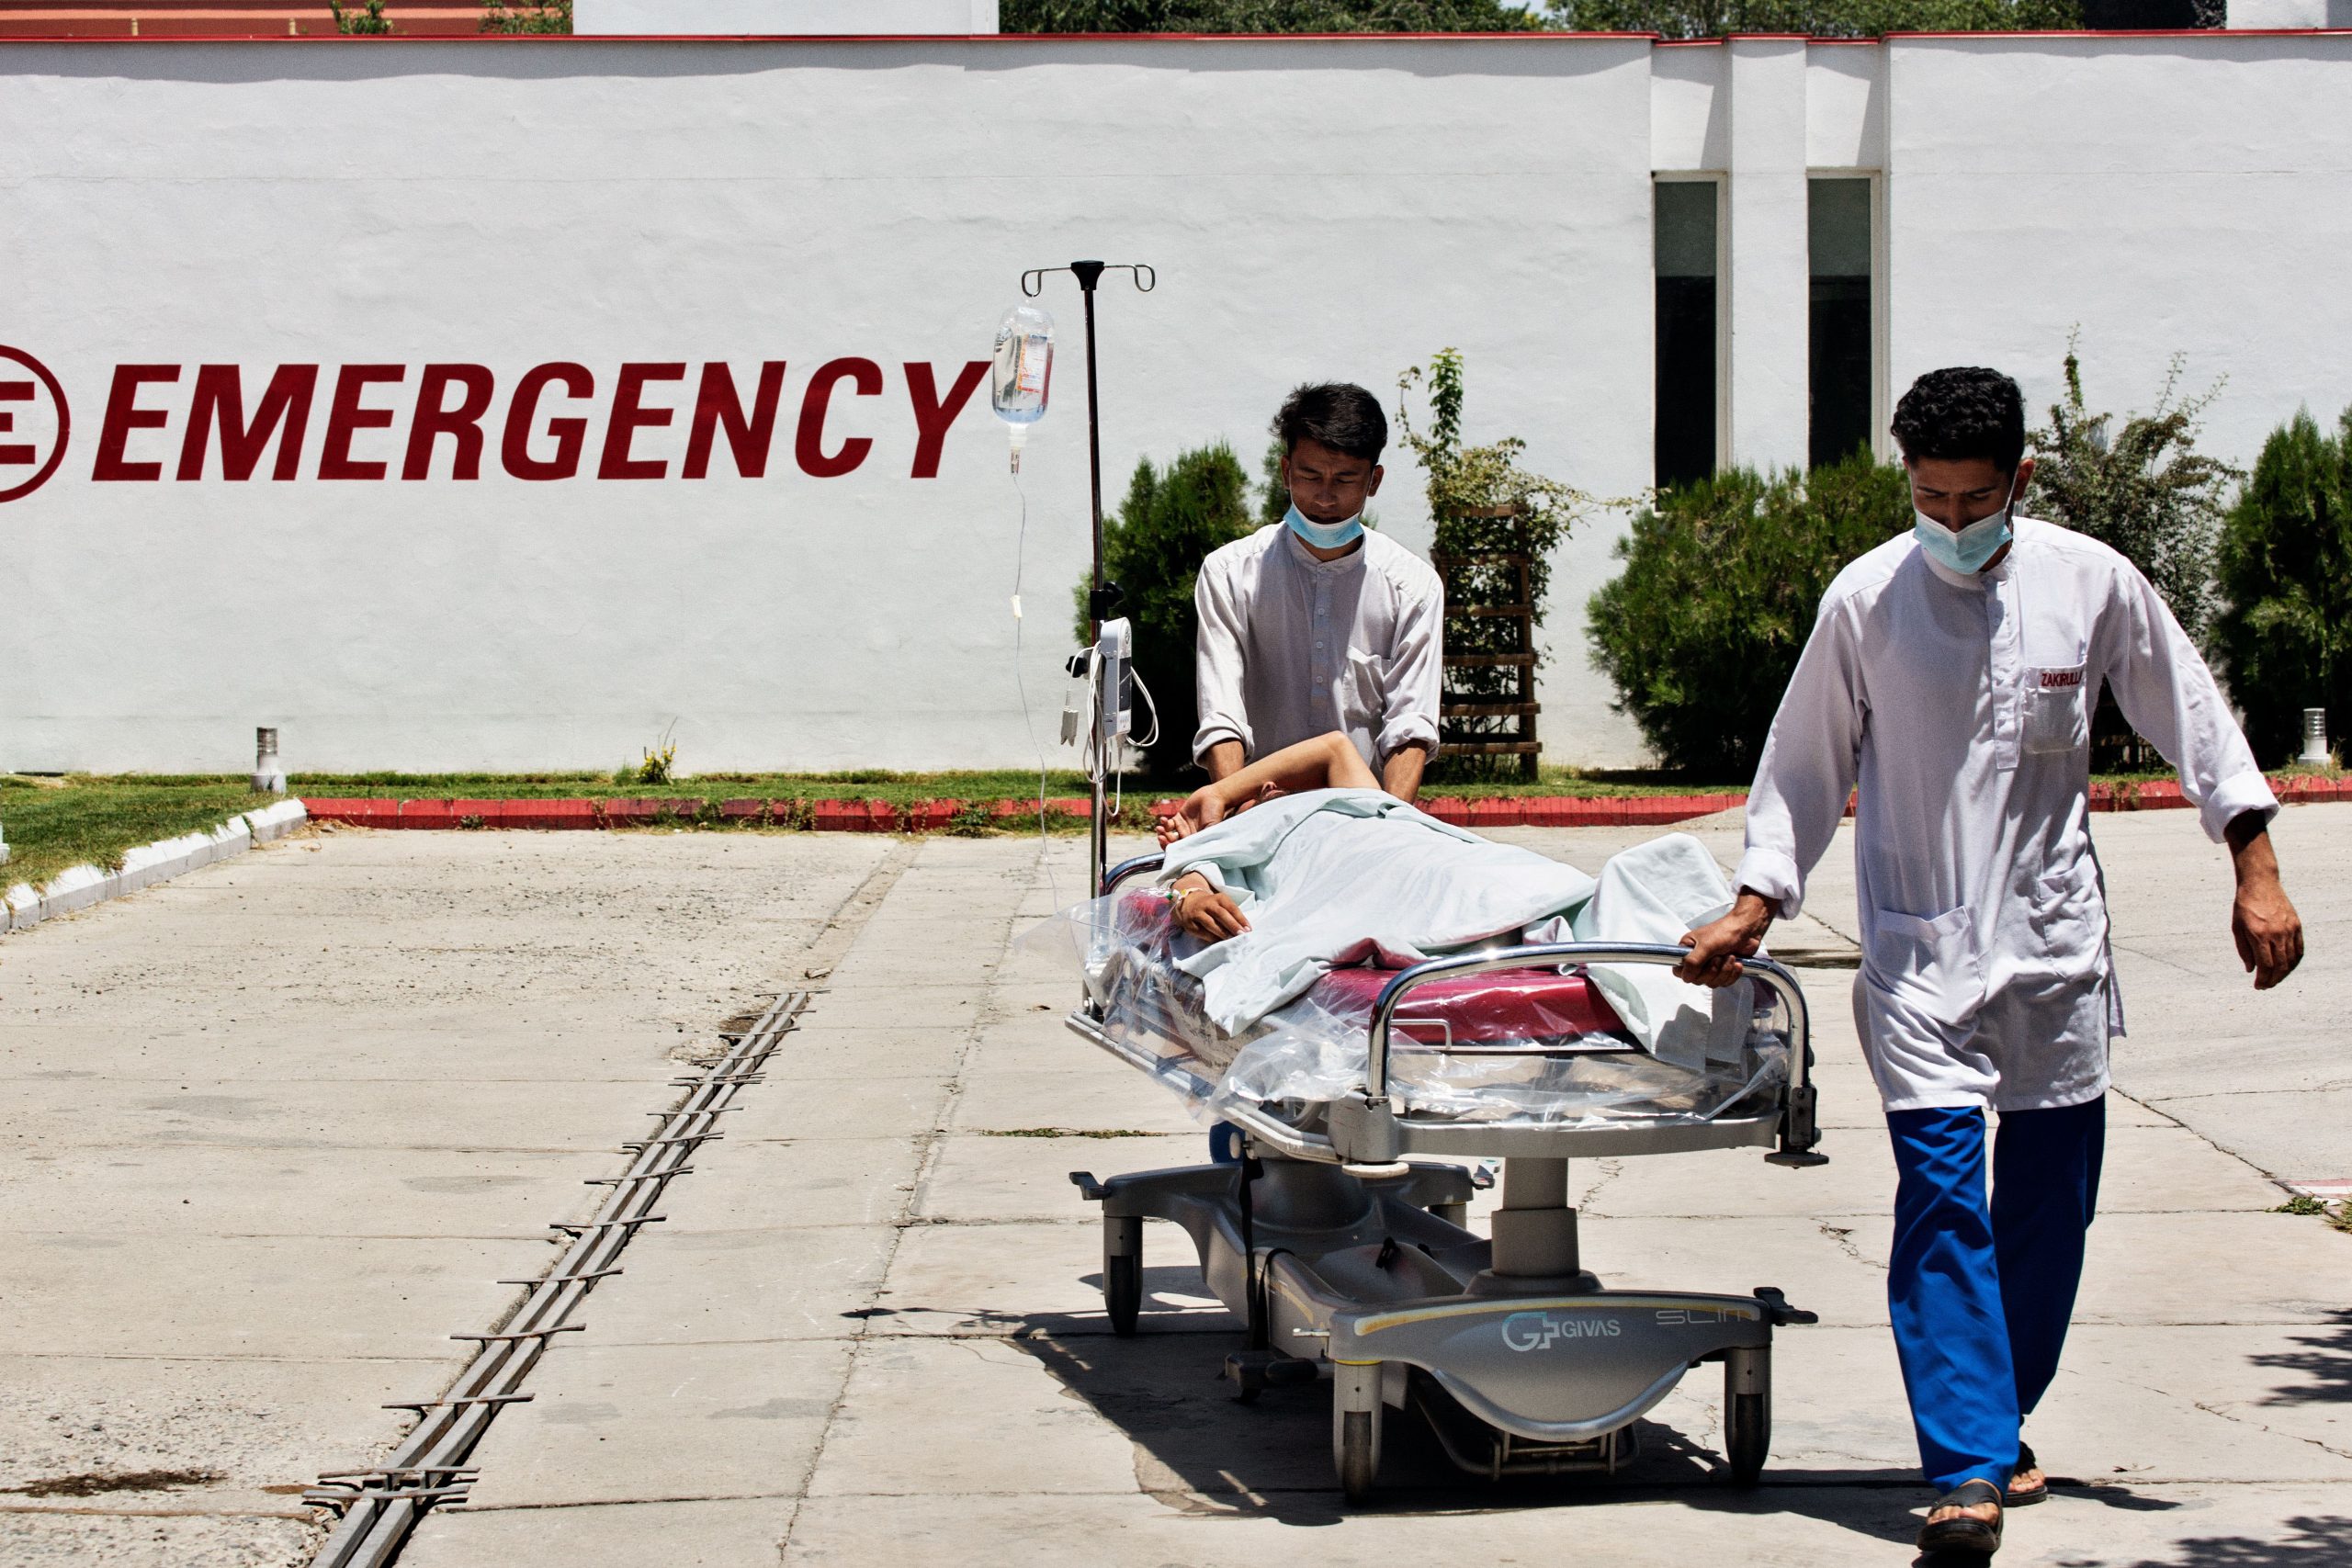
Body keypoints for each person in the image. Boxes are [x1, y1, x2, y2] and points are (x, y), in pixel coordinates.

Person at [1675, 367, 2305, 1559]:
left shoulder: (2089, 583)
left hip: (2053, 950)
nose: (1951, 524)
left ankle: (1997, 1412)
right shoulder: (1867, 599)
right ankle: (1964, 1466)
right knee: (1945, 1200)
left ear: (2019, 479)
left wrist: (2255, 864)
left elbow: (2195, 715)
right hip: (1917, 952)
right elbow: (1802, 764)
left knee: (2047, 1212)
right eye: (1930, 499)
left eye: (1973, 501)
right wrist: (1756, 899)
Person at [1193, 382, 1443, 802]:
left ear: (1374, 480)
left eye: (1345, 478)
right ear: (1286, 471)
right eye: (1310, 476)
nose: (1325, 496)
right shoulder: (1230, 574)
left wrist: (1393, 825)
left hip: (1362, 811)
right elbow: (1222, 712)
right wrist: (1237, 809)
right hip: (1255, 806)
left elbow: (1410, 725)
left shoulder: (1412, 586)